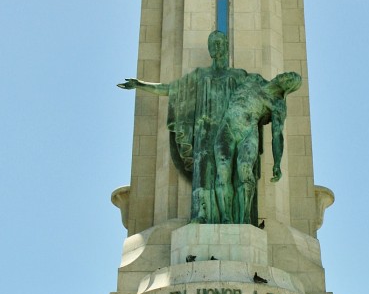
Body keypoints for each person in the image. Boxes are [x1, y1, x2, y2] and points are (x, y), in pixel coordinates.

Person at [118, 32, 246, 223]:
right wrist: (141, 85)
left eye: (219, 43)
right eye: (212, 44)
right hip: (204, 132)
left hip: (228, 133)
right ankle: (202, 215)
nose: (215, 47)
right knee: (203, 174)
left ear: (226, 45)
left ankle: (228, 215)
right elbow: (171, 89)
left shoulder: (238, 76)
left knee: (225, 174)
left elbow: (257, 96)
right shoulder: (200, 76)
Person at [213, 71, 302, 224]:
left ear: (288, 87)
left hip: (248, 133)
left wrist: (277, 163)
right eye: (288, 74)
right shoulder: (255, 78)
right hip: (227, 127)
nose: (285, 75)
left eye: (290, 79)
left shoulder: (277, 104)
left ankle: (245, 217)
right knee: (222, 171)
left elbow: (277, 135)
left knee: (245, 171)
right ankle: (225, 217)